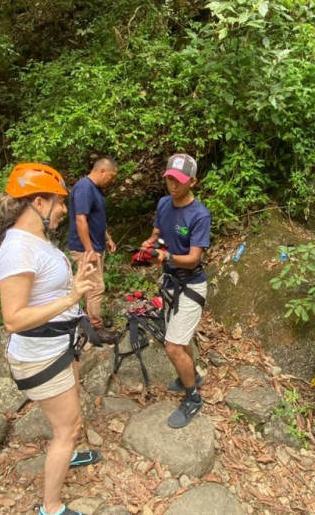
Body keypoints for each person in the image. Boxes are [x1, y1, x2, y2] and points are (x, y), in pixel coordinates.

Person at [0, 163, 103, 515]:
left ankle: (68, 456)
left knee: (68, 422)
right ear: (38, 203)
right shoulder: (17, 251)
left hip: (56, 347)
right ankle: (51, 507)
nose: (63, 211)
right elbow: (13, 318)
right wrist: (71, 300)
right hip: (40, 355)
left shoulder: (37, 241)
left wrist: (78, 275)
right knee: (68, 427)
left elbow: (47, 290)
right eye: (58, 204)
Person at [140, 153, 212, 429]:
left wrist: (165, 257)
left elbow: (194, 258)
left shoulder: (199, 215)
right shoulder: (163, 204)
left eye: (179, 181)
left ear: (192, 181)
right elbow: (157, 232)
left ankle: (193, 398)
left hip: (191, 284)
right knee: (179, 343)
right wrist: (150, 243)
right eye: (169, 179)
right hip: (170, 283)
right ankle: (191, 376)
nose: (173, 185)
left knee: (172, 347)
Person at [67, 157, 120, 344]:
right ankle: (95, 329)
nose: (112, 180)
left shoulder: (95, 190)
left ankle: (84, 320)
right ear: (102, 171)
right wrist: (89, 251)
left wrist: (108, 238)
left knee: (88, 286)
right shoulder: (84, 188)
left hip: (95, 245)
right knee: (96, 287)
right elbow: (81, 220)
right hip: (84, 248)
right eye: (112, 176)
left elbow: (97, 219)